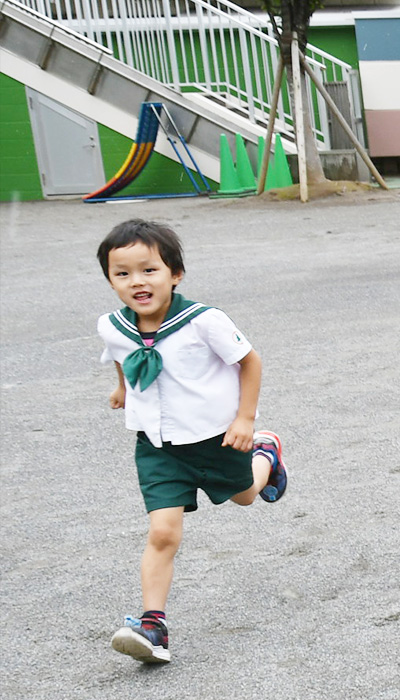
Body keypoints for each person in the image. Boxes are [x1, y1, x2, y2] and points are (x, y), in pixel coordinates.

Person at [96, 219, 291, 664]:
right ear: (110, 280)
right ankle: (153, 626)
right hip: (157, 447)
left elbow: (250, 361)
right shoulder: (112, 326)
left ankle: (267, 451)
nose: (136, 282)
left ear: (175, 273)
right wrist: (124, 389)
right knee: (163, 533)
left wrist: (245, 418)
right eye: (122, 274)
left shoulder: (204, 321)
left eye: (149, 270)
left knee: (245, 496)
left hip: (219, 440)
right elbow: (123, 358)